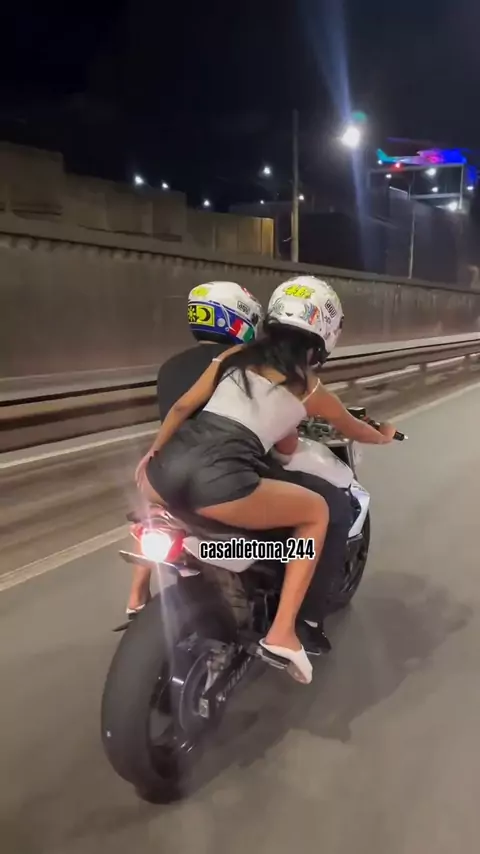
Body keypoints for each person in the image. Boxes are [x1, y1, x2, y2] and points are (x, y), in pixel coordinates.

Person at [135, 276, 398, 685]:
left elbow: (184, 407)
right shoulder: (309, 388)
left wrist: (153, 455)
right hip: (218, 484)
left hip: (162, 474)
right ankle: (283, 632)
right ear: (325, 334)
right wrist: (383, 433)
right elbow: (351, 429)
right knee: (318, 510)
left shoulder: (234, 356)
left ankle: (141, 596)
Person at [126, 280, 265, 617]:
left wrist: (153, 455)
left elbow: (175, 415)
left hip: (171, 470)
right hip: (222, 473)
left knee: (154, 513)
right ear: (239, 320)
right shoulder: (245, 364)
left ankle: (136, 594)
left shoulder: (170, 366)